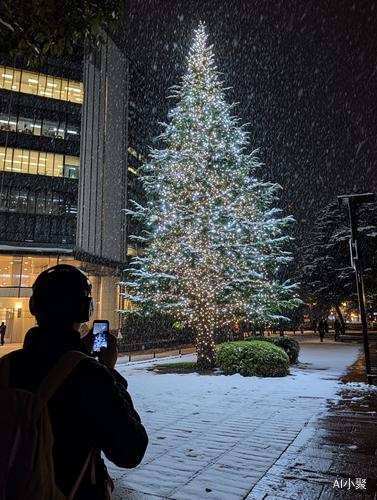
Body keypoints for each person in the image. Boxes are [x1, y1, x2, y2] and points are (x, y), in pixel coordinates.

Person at [5, 265, 148, 499]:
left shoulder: (6, 366)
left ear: (34, 307)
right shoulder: (91, 377)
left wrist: (78, 350)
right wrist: (107, 371)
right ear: (85, 311)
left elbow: (47, 361)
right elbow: (131, 451)